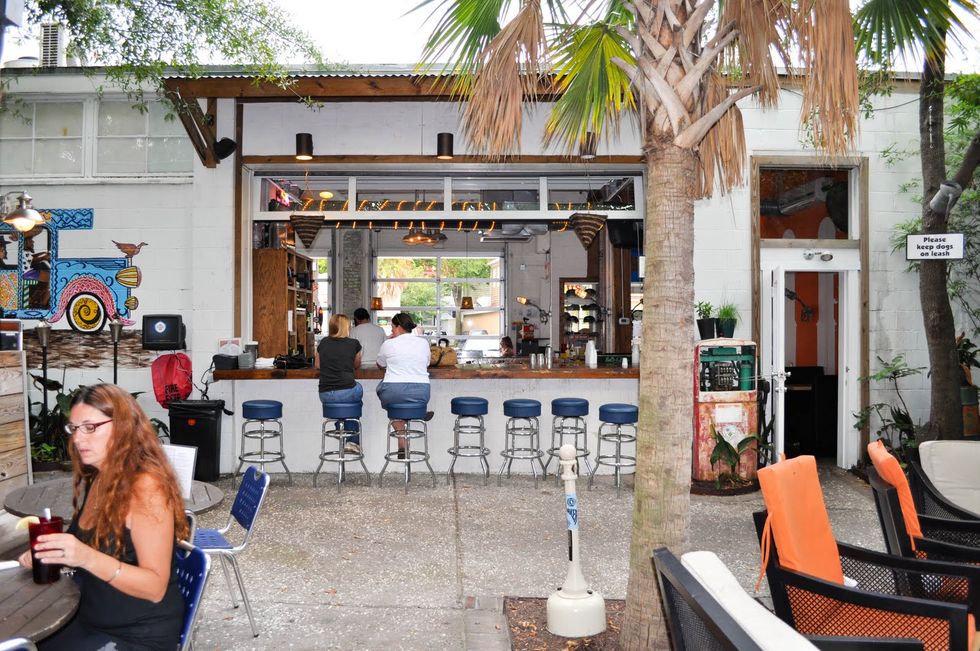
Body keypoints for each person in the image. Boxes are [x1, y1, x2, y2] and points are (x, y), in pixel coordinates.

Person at [20, 384, 189, 651]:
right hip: (86, 616)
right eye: (74, 428)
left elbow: (155, 587)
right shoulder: (99, 477)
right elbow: (87, 548)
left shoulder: (146, 488)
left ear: (123, 427)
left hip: (136, 636)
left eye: (90, 427)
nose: (78, 439)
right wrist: (54, 553)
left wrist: (84, 556)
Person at [376, 312, 432, 458]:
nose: (391, 331)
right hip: (421, 392)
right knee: (402, 403)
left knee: (388, 398)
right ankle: (419, 412)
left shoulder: (388, 344)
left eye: (392, 328)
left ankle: (402, 438)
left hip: (393, 392)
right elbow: (426, 363)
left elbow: (380, 364)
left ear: (398, 327)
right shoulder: (423, 343)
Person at [316, 313, 363, 453]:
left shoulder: (323, 342)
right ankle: (352, 441)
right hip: (346, 390)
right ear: (346, 327)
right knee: (356, 396)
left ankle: (340, 427)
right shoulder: (354, 344)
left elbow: (317, 365)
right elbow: (357, 365)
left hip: (325, 394)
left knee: (350, 402)